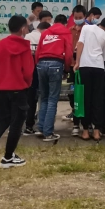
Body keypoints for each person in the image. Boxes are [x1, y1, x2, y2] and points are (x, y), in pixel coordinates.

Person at [0, 15, 34, 170]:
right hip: (18, 89)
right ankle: (8, 157)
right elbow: (28, 71)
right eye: (26, 27)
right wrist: (27, 84)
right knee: (17, 123)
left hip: (1, 89)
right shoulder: (24, 47)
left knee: (3, 121)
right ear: (22, 29)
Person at [74, 16, 105, 141]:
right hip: (98, 67)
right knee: (98, 98)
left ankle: (85, 131)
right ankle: (97, 131)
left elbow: (80, 44)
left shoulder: (86, 28)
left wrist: (77, 62)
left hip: (85, 66)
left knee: (85, 98)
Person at [34, 13, 72, 142]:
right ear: (65, 24)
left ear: (54, 22)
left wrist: (38, 65)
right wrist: (66, 69)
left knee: (43, 97)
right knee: (52, 99)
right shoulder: (66, 32)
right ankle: (48, 133)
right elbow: (68, 54)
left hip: (41, 64)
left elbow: (38, 51)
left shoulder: (46, 32)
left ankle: (40, 128)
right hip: (56, 64)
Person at [23, 16, 51, 137]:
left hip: (28, 70)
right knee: (42, 98)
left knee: (29, 98)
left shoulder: (27, 36)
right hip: (40, 69)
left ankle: (28, 126)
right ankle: (40, 123)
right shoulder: (44, 37)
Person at [64, 4, 88, 134]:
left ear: (85, 17)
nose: (78, 19)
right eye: (76, 17)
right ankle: (75, 121)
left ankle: (85, 122)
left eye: (80, 17)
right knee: (72, 93)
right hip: (72, 66)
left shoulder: (88, 30)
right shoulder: (69, 30)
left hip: (83, 65)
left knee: (83, 94)